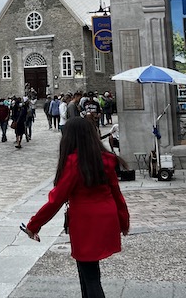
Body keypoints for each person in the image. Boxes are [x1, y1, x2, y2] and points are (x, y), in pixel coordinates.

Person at [23, 117, 129, 298]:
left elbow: (56, 199)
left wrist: (34, 224)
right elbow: (116, 193)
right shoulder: (107, 159)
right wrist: (123, 220)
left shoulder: (74, 162)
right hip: (107, 215)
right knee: (89, 270)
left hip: (85, 220)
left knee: (90, 276)